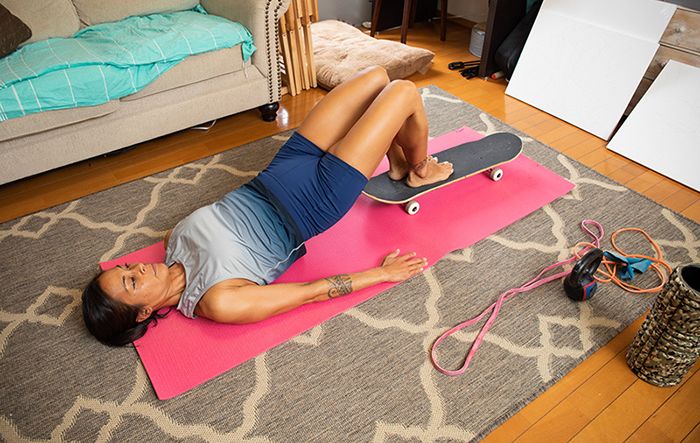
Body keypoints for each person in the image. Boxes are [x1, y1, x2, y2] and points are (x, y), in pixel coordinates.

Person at [82, 66, 454, 346]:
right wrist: (382, 274)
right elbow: (310, 291)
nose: (138, 268)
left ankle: (399, 160)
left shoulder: (173, 240)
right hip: (316, 200)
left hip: (283, 167)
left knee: (376, 77)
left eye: (128, 266)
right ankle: (420, 169)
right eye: (132, 281)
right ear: (144, 312)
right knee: (403, 92)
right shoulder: (218, 301)